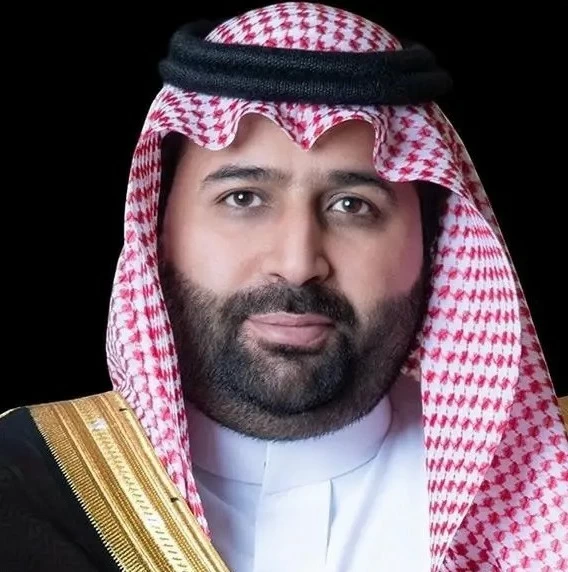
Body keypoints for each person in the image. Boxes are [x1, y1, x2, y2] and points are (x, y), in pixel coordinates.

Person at [1, 2, 567, 571]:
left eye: (353, 205)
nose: (297, 264)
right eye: (243, 198)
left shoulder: (551, 481)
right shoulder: (22, 484)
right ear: (158, 229)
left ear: (436, 242)